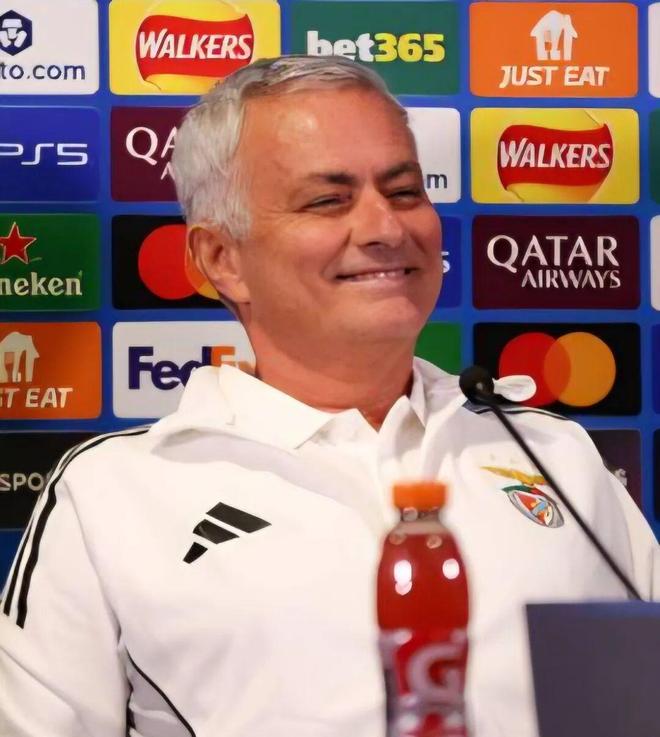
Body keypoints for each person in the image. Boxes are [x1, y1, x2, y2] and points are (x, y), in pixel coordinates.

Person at [0, 55, 657, 737]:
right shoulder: (111, 493)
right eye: (327, 200)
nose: (386, 228)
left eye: (405, 191)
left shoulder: (554, 452)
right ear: (222, 259)